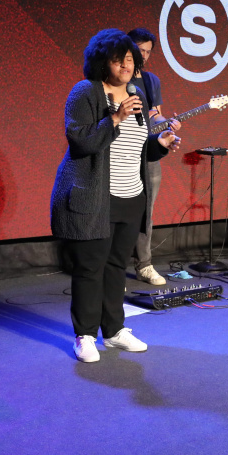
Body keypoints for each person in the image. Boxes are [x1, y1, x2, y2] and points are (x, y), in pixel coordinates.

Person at [51, 29, 180, 363]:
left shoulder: (138, 95)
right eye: (118, 59)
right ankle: (84, 335)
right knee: (90, 268)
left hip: (131, 196)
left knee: (116, 267)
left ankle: (114, 331)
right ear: (102, 62)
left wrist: (160, 144)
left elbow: (136, 149)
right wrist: (116, 117)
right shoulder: (86, 92)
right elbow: (81, 142)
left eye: (130, 59)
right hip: (96, 197)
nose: (126, 65)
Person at [127, 27, 179, 286]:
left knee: (146, 213)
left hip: (148, 152)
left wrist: (168, 123)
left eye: (148, 52)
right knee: (116, 211)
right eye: (140, 50)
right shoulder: (114, 78)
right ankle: (111, 267)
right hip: (121, 154)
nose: (144, 56)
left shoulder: (151, 81)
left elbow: (154, 116)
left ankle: (144, 265)